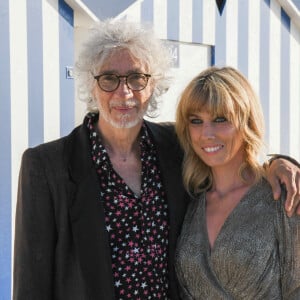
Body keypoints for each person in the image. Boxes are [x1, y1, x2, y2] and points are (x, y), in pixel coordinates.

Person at [13, 20, 300, 300]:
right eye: (109, 78)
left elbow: (230, 150)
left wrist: (277, 163)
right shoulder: (47, 166)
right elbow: (31, 285)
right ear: (91, 85)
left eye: (137, 77)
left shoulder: (176, 145)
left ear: (154, 85)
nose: (124, 92)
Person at [174, 66, 300, 299]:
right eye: (196, 121)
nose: (206, 134)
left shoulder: (285, 195)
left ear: (247, 121)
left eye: (221, 119)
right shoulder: (189, 201)